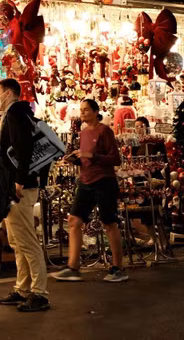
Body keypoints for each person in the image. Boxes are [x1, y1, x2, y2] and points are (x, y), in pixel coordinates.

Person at [53, 99, 128, 283]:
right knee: (74, 220)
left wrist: (91, 155)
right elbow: (86, 159)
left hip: (104, 181)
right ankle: (73, 267)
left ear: (96, 112)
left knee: (109, 222)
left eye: (86, 110)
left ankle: (118, 267)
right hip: (85, 180)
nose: (83, 113)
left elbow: (115, 159)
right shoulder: (84, 132)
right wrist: (75, 160)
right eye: (81, 110)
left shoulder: (104, 131)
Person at [0, 78, 50, 312]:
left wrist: (19, 180)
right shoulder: (12, 114)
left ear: (8, 93)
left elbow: (23, 149)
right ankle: (22, 288)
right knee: (17, 241)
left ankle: (39, 293)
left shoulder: (15, 113)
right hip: (12, 186)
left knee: (26, 240)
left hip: (20, 188)